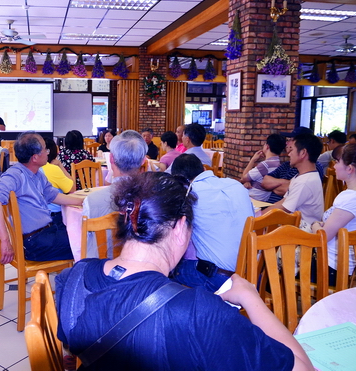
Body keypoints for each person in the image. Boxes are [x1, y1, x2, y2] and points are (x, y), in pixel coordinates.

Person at [55, 172, 313, 371]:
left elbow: (71, 346)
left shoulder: (71, 278)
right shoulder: (199, 312)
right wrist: (250, 298)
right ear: (180, 227)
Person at [0, 131, 83, 264]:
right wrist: (5, 240)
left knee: (85, 231)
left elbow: (54, 196)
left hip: (47, 231)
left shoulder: (37, 174)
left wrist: (83, 201)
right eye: (45, 149)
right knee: (89, 241)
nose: (48, 152)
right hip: (35, 242)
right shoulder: (15, 176)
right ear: (35, 157)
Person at [170, 154, 254, 291]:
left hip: (220, 280)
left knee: (166, 268)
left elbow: (174, 234)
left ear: (179, 181)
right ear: (203, 169)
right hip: (251, 273)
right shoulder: (236, 185)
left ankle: (189, 310)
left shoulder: (191, 195)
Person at [310, 143, 356, 286]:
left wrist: (314, 225)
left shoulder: (351, 198)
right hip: (351, 268)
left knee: (274, 261)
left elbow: (323, 237)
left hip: (331, 267)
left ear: (350, 169)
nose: (334, 166)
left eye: (338, 161)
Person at [82, 130, 147, 258]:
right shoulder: (152, 198)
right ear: (143, 161)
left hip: (101, 270)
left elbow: (85, 242)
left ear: (111, 158)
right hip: (140, 270)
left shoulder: (91, 200)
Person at [263, 133, 324, 227]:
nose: (289, 153)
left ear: (303, 153)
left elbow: (282, 209)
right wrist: (258, 214)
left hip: (302, 233)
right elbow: (283, 201)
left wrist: (256, 218)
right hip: (292, 227)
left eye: (292, 150)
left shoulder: (305, 181)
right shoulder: (301, 176)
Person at [261, 127, 325, 204]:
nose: (287, 143)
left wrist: (273, 186)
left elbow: (291, 190)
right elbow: (265, 182)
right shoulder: (287, 164)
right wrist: (285, 182)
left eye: (291, 140)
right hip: (271, 207)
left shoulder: (312, 168)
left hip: (283, 213)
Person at [240, 134, 286, 202]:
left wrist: (253, 160)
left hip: (253, 199)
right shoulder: (279, 165)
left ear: (267, 146)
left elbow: (243, 178)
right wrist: (248, 181)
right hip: (263, 199)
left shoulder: (265, 166)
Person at [41, 137, 76, 220]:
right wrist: (60, 166)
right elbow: (72, 188)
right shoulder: (52, 169)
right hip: (54, 215)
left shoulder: (30, 169)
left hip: (37, 215)